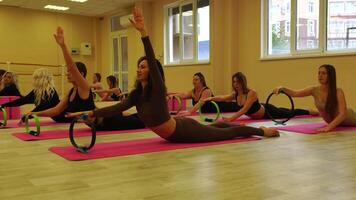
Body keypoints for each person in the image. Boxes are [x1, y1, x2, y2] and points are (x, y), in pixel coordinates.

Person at [67, 7, 279, 142]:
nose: (140, 68)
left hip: (183, 131)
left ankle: (261, 132)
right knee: (218, 126)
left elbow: (151, 58)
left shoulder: (157, 89)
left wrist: (143, 33)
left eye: (144, 66)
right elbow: (115, 108)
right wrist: (88, 114)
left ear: (153, 71)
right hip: (178, 131)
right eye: (138, 66)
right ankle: (250, 129)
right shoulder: (135, 95)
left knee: (227, 133)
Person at [204, 72, 317, 122]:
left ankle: (309, 111)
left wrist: (231, 119)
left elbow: (244, 109)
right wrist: (211, 98)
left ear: (242, 82)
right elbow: (223, 98)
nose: (235, 84)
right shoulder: (235, 94)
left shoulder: (251, 93)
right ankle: (310, 111)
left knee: (289, 113)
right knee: (285, 110)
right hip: (260, 112)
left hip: (268, 112)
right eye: (234, 82)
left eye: (238, 82)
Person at [273, 64, 356, 132]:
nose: (320, 76)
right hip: (334, 122)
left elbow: (343, 114)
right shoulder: (314, 90)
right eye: (319, 73)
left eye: (324, 73)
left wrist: (329, 127)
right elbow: (295, 93)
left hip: (349, 118)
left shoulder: (338, 91)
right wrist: (282, 88)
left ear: (330, 76)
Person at [0, 68, 67, 123]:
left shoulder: (51, 92)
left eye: (35, 78)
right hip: (58, 118)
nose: (34, 80)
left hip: (65, 116)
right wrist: (5, 105)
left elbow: (43, 107)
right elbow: (23, 100)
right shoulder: (37, 91)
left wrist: (28, 116)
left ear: (41, 79)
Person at [172, 72, 238, 116]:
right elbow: (183, 95)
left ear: (202, 81)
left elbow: (200, 103)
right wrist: (171, 96)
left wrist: (189, 112)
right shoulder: (193, 92)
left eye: (196, 80)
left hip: (224, 107)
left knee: (238, 106)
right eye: (193, 80)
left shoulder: (206, 91)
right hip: (209, 113)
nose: (194, 82)